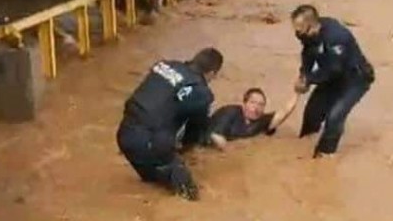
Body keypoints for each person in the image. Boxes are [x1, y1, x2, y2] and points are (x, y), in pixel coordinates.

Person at [116, 48, 223, 201]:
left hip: (124, 134)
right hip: (150, 141)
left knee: (153, 183)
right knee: (190, 195)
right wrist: (186, 151)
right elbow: (194, 131)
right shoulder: (202, 92)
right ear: (212, 73)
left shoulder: (164, 65)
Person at [291, 4, 375, 158]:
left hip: (354, 78)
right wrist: (304, 74)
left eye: (299, 28)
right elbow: (308, 52)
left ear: (311, 26)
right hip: (331, 74)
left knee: (335, 116)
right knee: (312, 111)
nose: (296, 32)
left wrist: (309, 80)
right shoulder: (307, 34)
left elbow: (332, 70)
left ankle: (325, 155)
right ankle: (303, 147)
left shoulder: (337, 38)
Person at [205, 88, 299, 150]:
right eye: (253, 103)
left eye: (261, 104)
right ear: (244, 103)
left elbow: (283, 113)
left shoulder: (261, 121)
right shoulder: (229, 112)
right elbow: (215, 135)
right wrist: (231, 150)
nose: (256, 107)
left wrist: (297, 93)